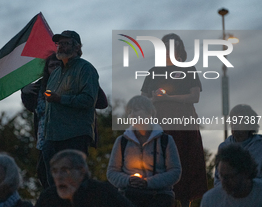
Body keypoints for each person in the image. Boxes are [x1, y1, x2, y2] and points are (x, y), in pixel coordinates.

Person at [141, 33, 207, 207]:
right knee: (160, 163)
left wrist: (169, 97)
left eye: (173, 47)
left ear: (180, 49)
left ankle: (186, 204)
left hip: (184, 125)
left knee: (186, 163)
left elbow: (195, 97)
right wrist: (155, 100)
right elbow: (143, 101)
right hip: (160, 126)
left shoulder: (188, 69)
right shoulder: (153, 72)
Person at [42, 30, 100, 186]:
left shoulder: (85, 69)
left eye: (65, 43)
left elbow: (88, 100)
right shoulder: (55, 74)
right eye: (59, 43)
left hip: (74, 137)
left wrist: (60, 98)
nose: (60, 47)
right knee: (53, 186)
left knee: (76, 185)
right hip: (51, 138)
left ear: (77, 47)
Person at [107, 95, 181, 207]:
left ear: (149, 113)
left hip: (159, 196)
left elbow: (175, 171)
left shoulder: (165, 140)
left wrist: (148, 182)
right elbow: (112, 172)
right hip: (128, 196)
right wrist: (128, 180)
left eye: (136, 110)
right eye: (130, 111)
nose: (132, 114)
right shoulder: (122, 141)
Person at [35, 149, 135, 207]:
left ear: (81, 171)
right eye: (55, 171)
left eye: (65, 170)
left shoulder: (103, 193)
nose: (58, 177)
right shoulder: (48, 198)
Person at [21, 52, 62, 188]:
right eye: (51, 65)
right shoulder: (41, 86)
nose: (54, 68)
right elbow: (32, 106)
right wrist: (25, 91)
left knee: (60, 173)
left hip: (64, 136)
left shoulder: (69, 81)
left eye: (58, 64)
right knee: (43, 172)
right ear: (47, 69)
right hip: (44, 138)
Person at [214, 104, 262, 186]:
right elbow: (217, 181)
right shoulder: (223, 147)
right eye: (233, 121)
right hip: (228, 195)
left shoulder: (259, 145)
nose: (235, 125)